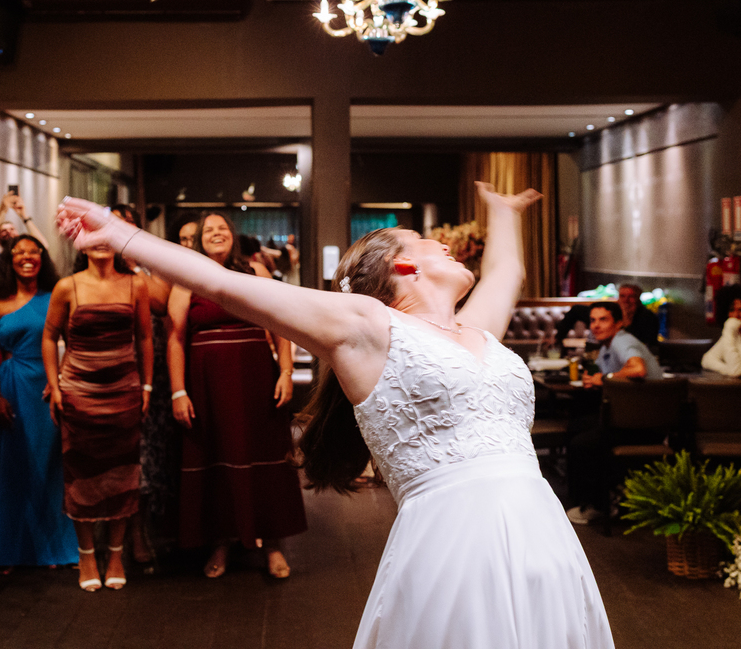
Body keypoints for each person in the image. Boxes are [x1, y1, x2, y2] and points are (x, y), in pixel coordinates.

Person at [56, 185, 613, 648]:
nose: (449, 248)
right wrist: (121, 234)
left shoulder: (477, 332)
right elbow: (225, 285)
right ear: (402, 263)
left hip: (541, 528)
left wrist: (506, 212)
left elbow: (506, 275)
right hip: (457, 536)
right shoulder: (367, 325)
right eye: (432, 244)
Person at [166, 212, 306, 579]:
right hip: (207, 384)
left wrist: (287, 372)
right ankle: (221, 542)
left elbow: (281, 323)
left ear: (233, 237)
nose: (216, 234)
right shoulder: (186, 281)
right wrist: (178, 390)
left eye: (222, 228)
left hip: (256, 377)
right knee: (216, 459)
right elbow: (175, 338)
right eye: (208, 230)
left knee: (265, 456)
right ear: (198, 240)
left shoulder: (255, 274)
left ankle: (273, 544)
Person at [42, 233, 153, 592]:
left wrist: (147, 386)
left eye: (106, 237)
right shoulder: (67, 286)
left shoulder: (136, 284)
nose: (100, 244)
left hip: (124, 393)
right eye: (91, 238)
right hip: (79, 395)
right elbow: (48, 336)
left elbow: (146, 337)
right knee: (81, 476)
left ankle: (116, 553)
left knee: (123, 476)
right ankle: (87, 554)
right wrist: (55, 385)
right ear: (81, 245)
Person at [0, 235, 82, 572]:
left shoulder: (56, 295)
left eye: (33, 252)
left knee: (49, 467)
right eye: (19, 252)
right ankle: (7, 550)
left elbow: (72, 341)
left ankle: (50, 549)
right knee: (10, 468)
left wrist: (59, 378)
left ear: (42, 258)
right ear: (9, 259)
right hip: (11, 385)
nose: (26, 257)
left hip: (47, 388)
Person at [110, 205, 178, 565]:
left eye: (125, 226)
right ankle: (123, 532)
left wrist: (131, 259)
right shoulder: (96, 263)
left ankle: (147, 528)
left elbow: (161, 300)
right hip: (111, 364)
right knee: (122, 450)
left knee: (151, 449)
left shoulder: (150, 263)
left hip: (152, 365)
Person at [567, 301, 665, 524]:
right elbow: (614, 378)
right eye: (593, 320)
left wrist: (603, 379)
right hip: (631, 418)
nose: (596, 326)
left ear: (619, 323)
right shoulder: (606, 347)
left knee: (583, 443)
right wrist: (596, 380)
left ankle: (598, 507)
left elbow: (638, 368)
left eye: (603, 320)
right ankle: (583, 499)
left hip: (647, 424)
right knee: (577, 426)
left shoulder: (622, 340)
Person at [552, 283, 660, 351]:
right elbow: (575, 310)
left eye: (631, 297)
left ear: (638, 299)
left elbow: (646, 345)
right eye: (622, 296)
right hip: (598, 352)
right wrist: (557, 338)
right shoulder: (608, 311)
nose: (626, 300)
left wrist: (627, 320)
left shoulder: (648, 317)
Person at [0, 190, 49, 272]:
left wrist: (24, 216)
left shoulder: (27, 259)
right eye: (3, 231)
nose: (8, 231)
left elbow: (44, 246)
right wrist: (2, 211)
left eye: (12, 229)